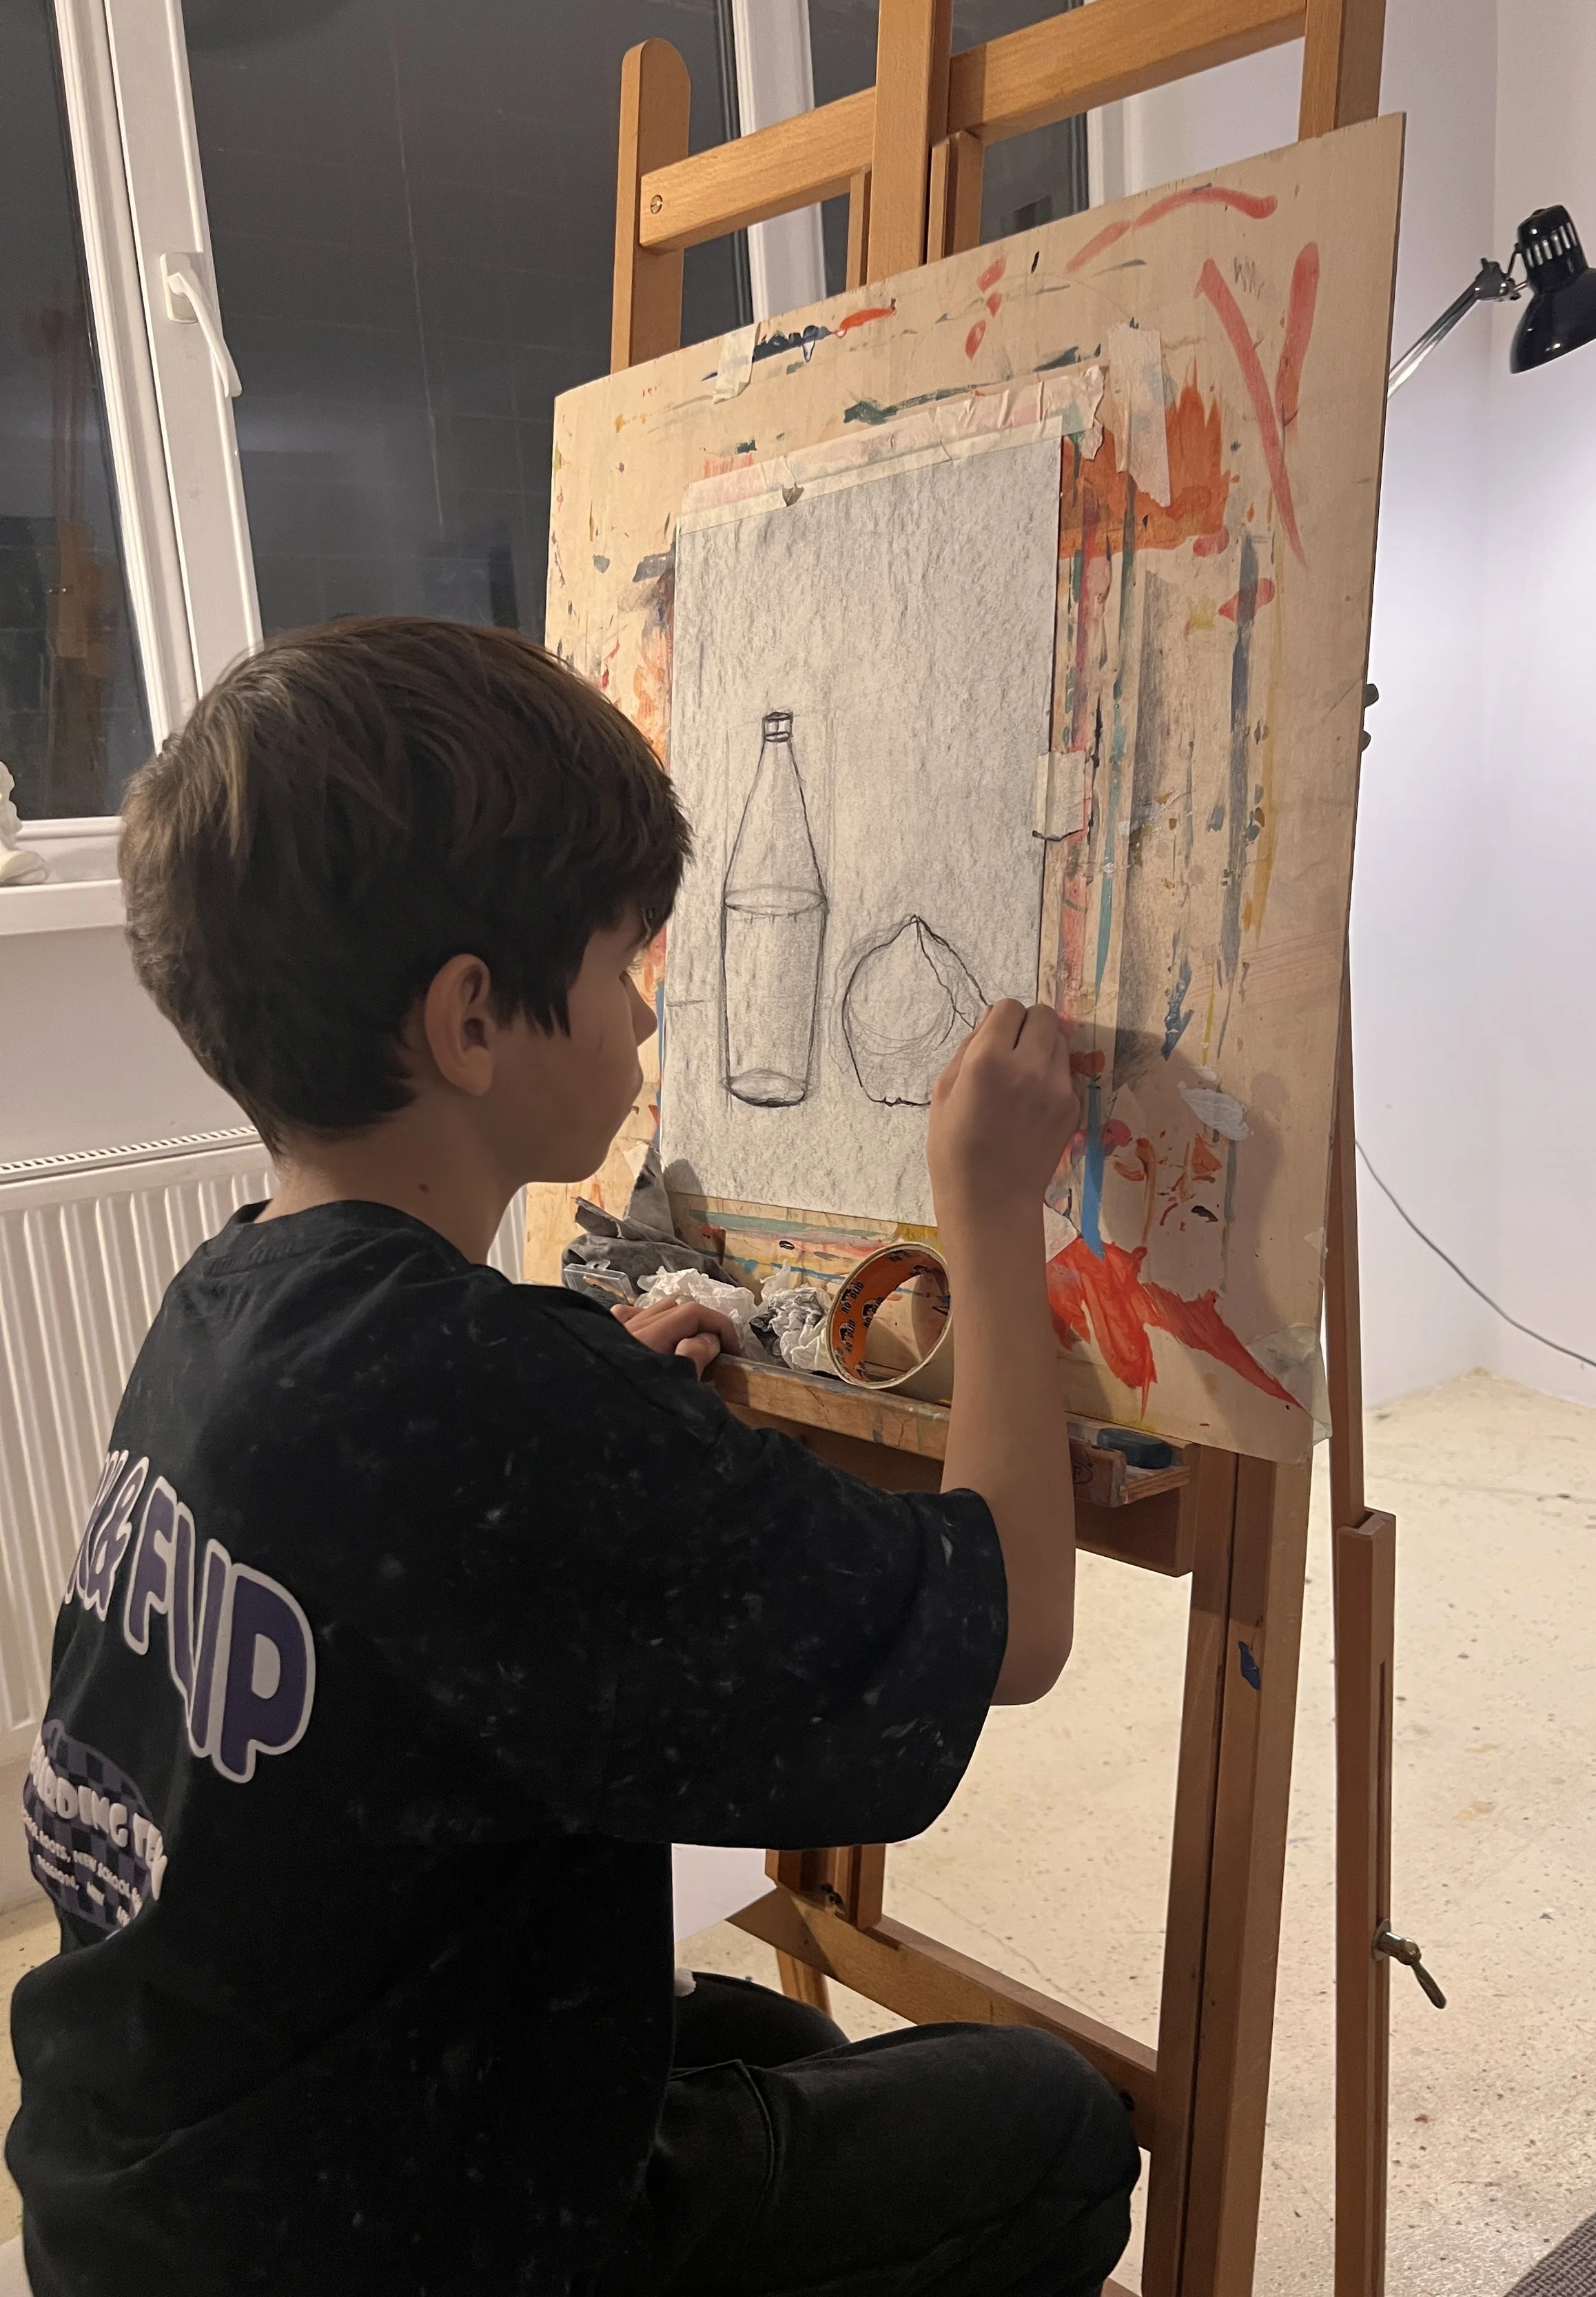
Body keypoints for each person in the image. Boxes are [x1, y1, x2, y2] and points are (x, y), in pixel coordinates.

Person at [6, 618, 1139, 2297]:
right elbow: (1017, 1626)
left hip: (152, 2196)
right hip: (382, 2242)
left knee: (753, 2026)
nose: (641, 1008)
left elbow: (409, 1536)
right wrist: (984, 1208)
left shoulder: (235, 1291)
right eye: (625, 962)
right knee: (1054, 2123)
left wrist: (576, 1391)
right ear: (472, 1019)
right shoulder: (501, 1411)